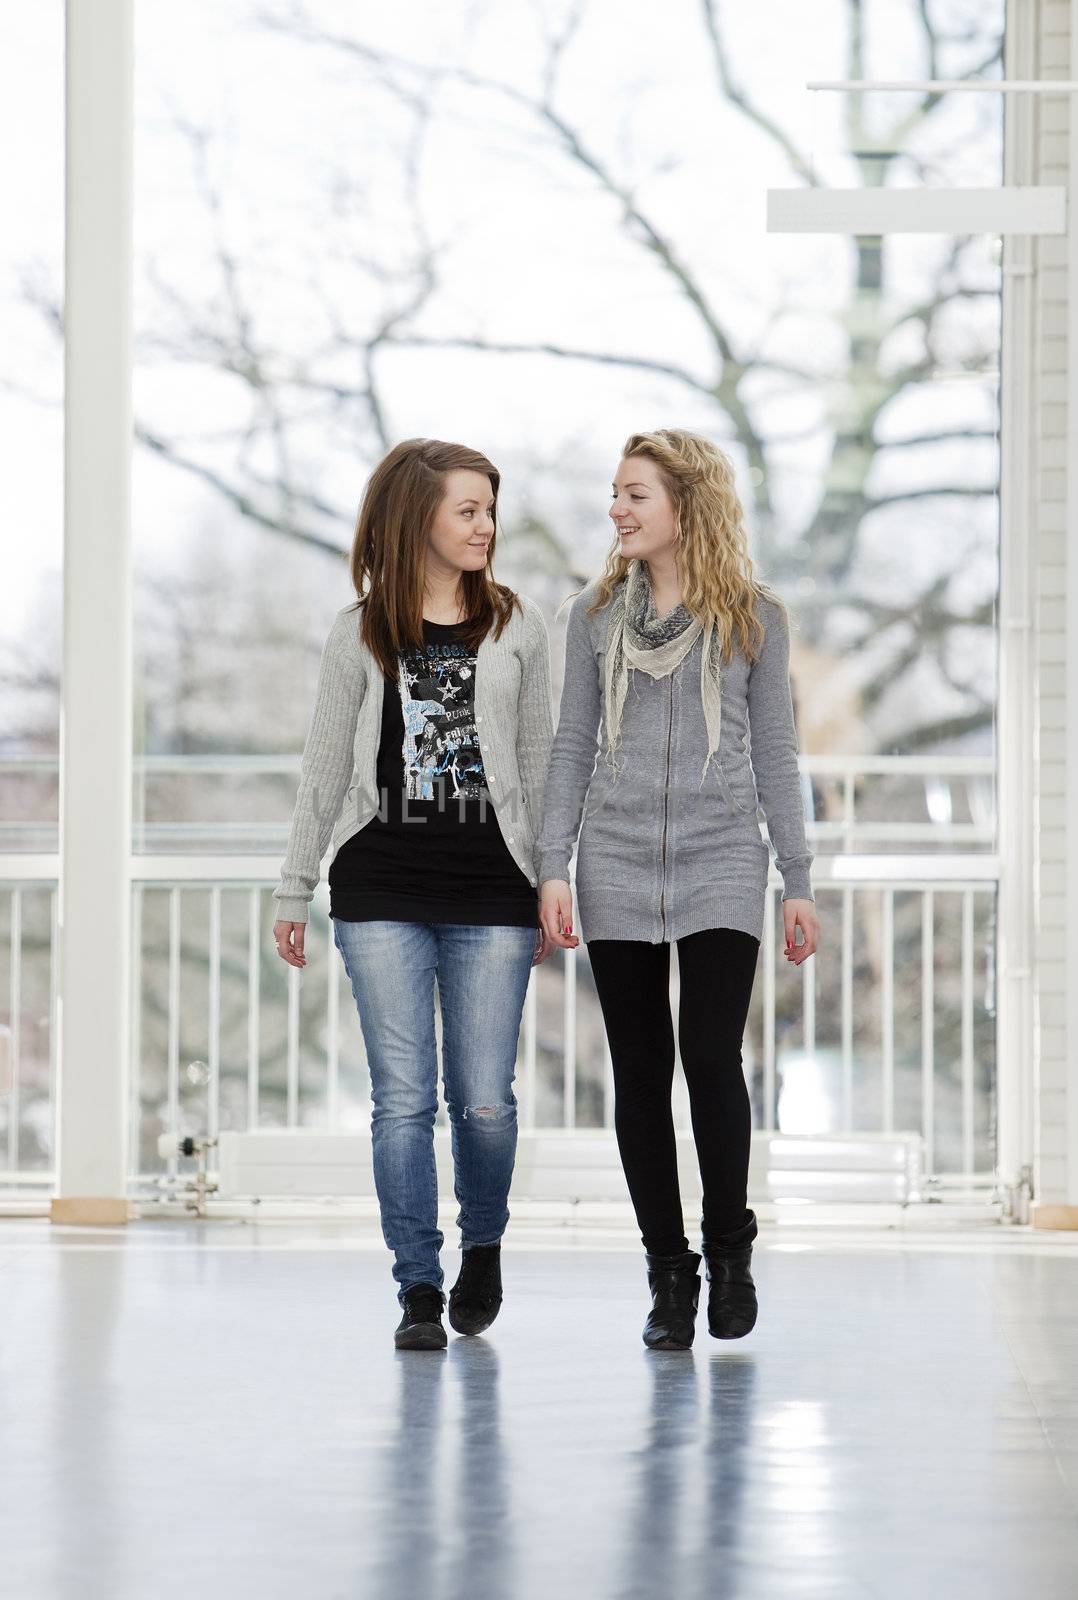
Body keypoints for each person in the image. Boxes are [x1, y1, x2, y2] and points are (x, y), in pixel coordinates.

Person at [536, 428, 819, 1351]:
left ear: (684, 505)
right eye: (614, 494)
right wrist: (553, 865)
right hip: (613, 862)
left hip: (724, 856)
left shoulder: (753, 618)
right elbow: (571, 746)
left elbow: (778, 753)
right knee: (640, 1073)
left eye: (635, 495)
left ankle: (729, 1249)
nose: (616, 509)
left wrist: (797, 878)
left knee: (710, 1057)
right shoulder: (590, 619)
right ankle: (669, 1272)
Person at [272, 438, 554, 1351]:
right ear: (417, 518)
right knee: (402, 1099)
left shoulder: (521, 627)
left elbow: (546, 765)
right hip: (380, 885)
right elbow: (323, 769)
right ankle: (419, 1287)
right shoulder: (358, 632)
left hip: (494, 891)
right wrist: (293, 886)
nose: (485, 525)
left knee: (483, 1100)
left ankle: (483, 1243)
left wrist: (556, 878)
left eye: (488, 509)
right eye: (466, 510)